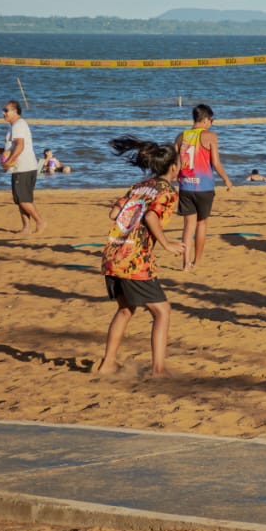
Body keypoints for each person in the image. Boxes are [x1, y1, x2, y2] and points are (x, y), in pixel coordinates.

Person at [97, 136, 185, 378]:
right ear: (174, 167)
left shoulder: (139, 186)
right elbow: (150, 218)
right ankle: (158, 370)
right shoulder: (167, 191)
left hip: (112, 254)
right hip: (134, 258)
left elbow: (114, 213)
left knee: (125, 309)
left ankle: (108, 364)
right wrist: (166, 243)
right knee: (162, 311)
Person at [175, 103, 233, 272]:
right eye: (211, 120)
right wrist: (226, 180)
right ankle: (197, 262)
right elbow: (215, 163)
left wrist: (168, 182)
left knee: (188, 226)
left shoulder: (180, 137)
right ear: (206, 119)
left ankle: (185, 264)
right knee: (202, 224)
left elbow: (176, 165)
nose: (211, 123)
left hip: (186, 186)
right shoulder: (210, 136)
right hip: (204, 187)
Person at [0, 101, 45, 235]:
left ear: (15, 111)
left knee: (22, 199)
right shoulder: (16, 126)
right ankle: (26, 227)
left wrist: (8, 162)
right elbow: (12, 147)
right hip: (25, 167)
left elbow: (20, 146)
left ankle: (40, 221)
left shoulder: (18, 125)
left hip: (23, 167)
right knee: (22, 199)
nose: (3, 113)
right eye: (3, 110)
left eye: (6, 110)